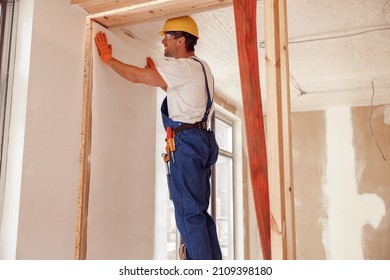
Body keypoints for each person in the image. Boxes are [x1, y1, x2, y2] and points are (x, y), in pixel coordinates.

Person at [94, 15, 222, 260]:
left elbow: (135, 77)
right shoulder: (201, 67)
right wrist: (157, 76)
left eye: (168, 37)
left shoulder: (181, 67)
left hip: (188, 144)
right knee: (198, 212)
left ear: (181, 40)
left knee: (188, 213)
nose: (163, 42)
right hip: (202, 140)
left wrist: (109, 59)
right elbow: (182, 94)